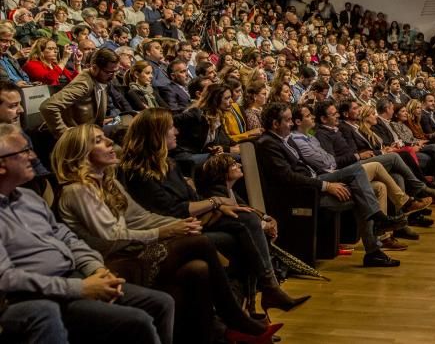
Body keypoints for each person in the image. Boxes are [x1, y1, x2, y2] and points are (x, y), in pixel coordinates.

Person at [50, 124, 283, 344]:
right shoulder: (76, 190)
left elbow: (140, 218)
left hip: (132, 253)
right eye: (99, 140)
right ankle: (238, 321)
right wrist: (168, 230)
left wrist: (182, 224)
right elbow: (113, 235)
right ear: (80, 153)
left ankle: (215, 333)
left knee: (198, 269)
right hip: (111, 264)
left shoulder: (109, 184)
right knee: (200, 243)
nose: (110, 142)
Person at [0, 123, 175, 344]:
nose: (33, 156)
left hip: (75, 274)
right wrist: (80, 288)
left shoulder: (29, 198)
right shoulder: (75, 190)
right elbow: (6, 278)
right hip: (37, 294)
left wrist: (97, 269)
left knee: (161, 302)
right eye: (23, 151)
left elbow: (67, 237)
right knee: (137, 321)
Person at [255, 102, 406, 268]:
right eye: (288, 120)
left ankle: (374, 245)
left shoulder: (284, 139)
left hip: (314, 182)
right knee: (358, 174)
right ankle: (377, 231)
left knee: (374, 187)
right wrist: (326, 185)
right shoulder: (268, 143)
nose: (291, 124)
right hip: (303, 195)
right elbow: (289, 177)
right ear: (275, 124)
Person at [39, 47, 119, 138]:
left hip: (91, 131)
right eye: (109, 72)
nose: (113, 76)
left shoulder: (101, 79)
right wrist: (65, 134)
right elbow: (48, 106)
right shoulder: (83, 84)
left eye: (116, 71)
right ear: (95, 68)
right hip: (81, 138)